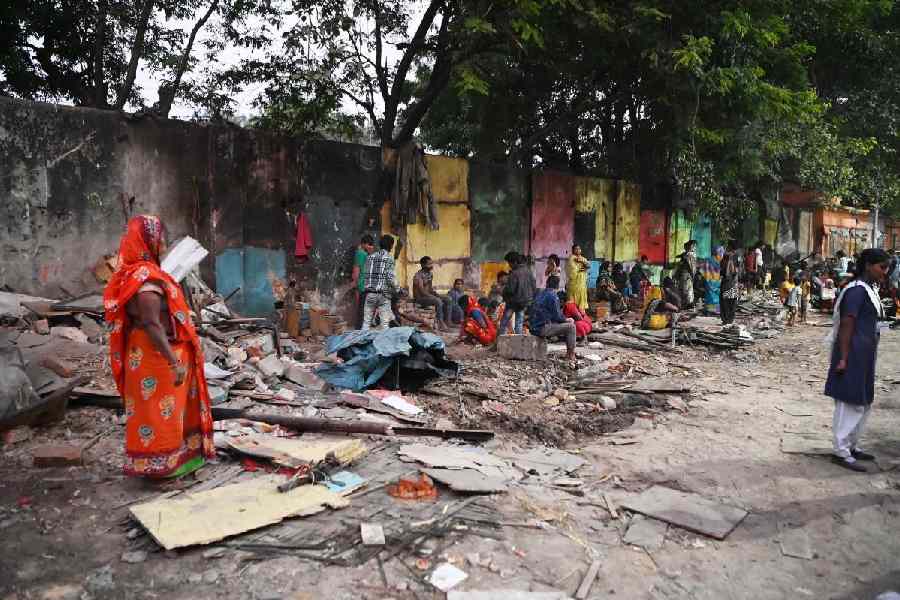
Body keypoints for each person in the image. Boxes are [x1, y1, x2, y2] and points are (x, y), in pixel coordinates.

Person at [103, 215, 214, 478]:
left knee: (161, 413)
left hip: (147, 354)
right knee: (160, 415)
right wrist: (173, 362)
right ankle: (161, 467)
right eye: (160, 238)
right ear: (148, 241)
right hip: (156, 358)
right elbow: (152, 324)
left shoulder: (130, 274)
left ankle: (173, 462)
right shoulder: (146, 279)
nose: (164, 244)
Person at [825, 248, 891, 472]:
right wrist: (843, 358)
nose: (885, 272)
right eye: (882, 267)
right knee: (848, 401)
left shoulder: (868, 289)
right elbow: (847, 324)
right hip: (851, 353)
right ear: (868, 265)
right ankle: (841, 450)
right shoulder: (855, 291)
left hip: (864, 354)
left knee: (862, 401)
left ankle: (852, 445)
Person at [530, 275, 577, 363]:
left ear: (547, 283)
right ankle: (571, 355)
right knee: (571, 327)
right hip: (541, 328)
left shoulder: (540, 293)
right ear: (558, 286)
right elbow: (557, 316)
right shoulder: (553, 296)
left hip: (533, 326)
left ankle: (570, 353)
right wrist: (567, 319)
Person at [362, 235, 397, 331]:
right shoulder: (389, 258)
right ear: (390, 246)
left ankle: (360, 343)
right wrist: (398, 289)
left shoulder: (370, 257)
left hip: (369, 294)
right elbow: (391, 278)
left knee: (366, 323)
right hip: (383, 295)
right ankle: (384, 344)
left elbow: (366, 275)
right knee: (384, 325)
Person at [499, 252, 536, 335]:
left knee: (504, 322)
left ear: (515, 262)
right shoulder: (528, 271)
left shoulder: (514, 273)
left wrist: (503, 293)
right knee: (519, 323)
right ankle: (519, 343)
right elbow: (533, 286)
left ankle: (500, 341)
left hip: (513, 302)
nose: (509, 265)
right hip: (524, 302)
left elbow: (510, 290)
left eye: (510, 263)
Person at [413, 256, 452, 331]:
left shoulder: (430, 274)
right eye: (429, 264)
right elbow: (422, 291)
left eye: (431, 263)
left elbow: (430, 289)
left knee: (448, 299)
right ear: (423, 265)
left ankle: (448, 321)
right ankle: (440, 323)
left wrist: (437, 294)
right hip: (420, 299)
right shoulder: (418, 276)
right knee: (438, 301)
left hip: (428, 296)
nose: (431, 265)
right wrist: (434, 297)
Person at [351, 234, 376, 329]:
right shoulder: (362, 254)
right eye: (369, 245)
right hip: (363, 284)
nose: (370, 247)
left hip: (362, 284)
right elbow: (357, 269)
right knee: (363, 308)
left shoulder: (361, 253)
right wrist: (356, 282)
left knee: (361, 308)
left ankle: (360, 327)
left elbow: (357, 269)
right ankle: (361, 328)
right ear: (364, 244)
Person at [674, 240, 698, 308]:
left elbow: (692, 266)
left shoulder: (689, 254)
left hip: (686, 274)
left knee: (686, 289)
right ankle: (687, 303)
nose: (695, 248)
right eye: (694, 246)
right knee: (686, 289)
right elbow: (692, 266)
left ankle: (687, 303)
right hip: (686, 274)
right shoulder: (689, 254)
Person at [566, 245, 590, 311]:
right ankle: (574, 316)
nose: (578, 250)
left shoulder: (583, 258)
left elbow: (588, 265)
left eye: (579, 249)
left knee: (581, 304)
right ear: (573, 250)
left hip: (582, 285)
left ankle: (581, 317)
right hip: (573, 285)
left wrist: (582, 262)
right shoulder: (571, 258)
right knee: (573, 303)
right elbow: (572, 270)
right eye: (576, 249)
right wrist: (581, 269)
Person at [719, 251, 739, 325]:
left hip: (726, 285)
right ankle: (729, 320)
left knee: (725, 304)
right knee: (731, 304)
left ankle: (726, 320)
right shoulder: (732, 263)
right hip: (732, 286)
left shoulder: (725, 263)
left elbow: (726, 275)